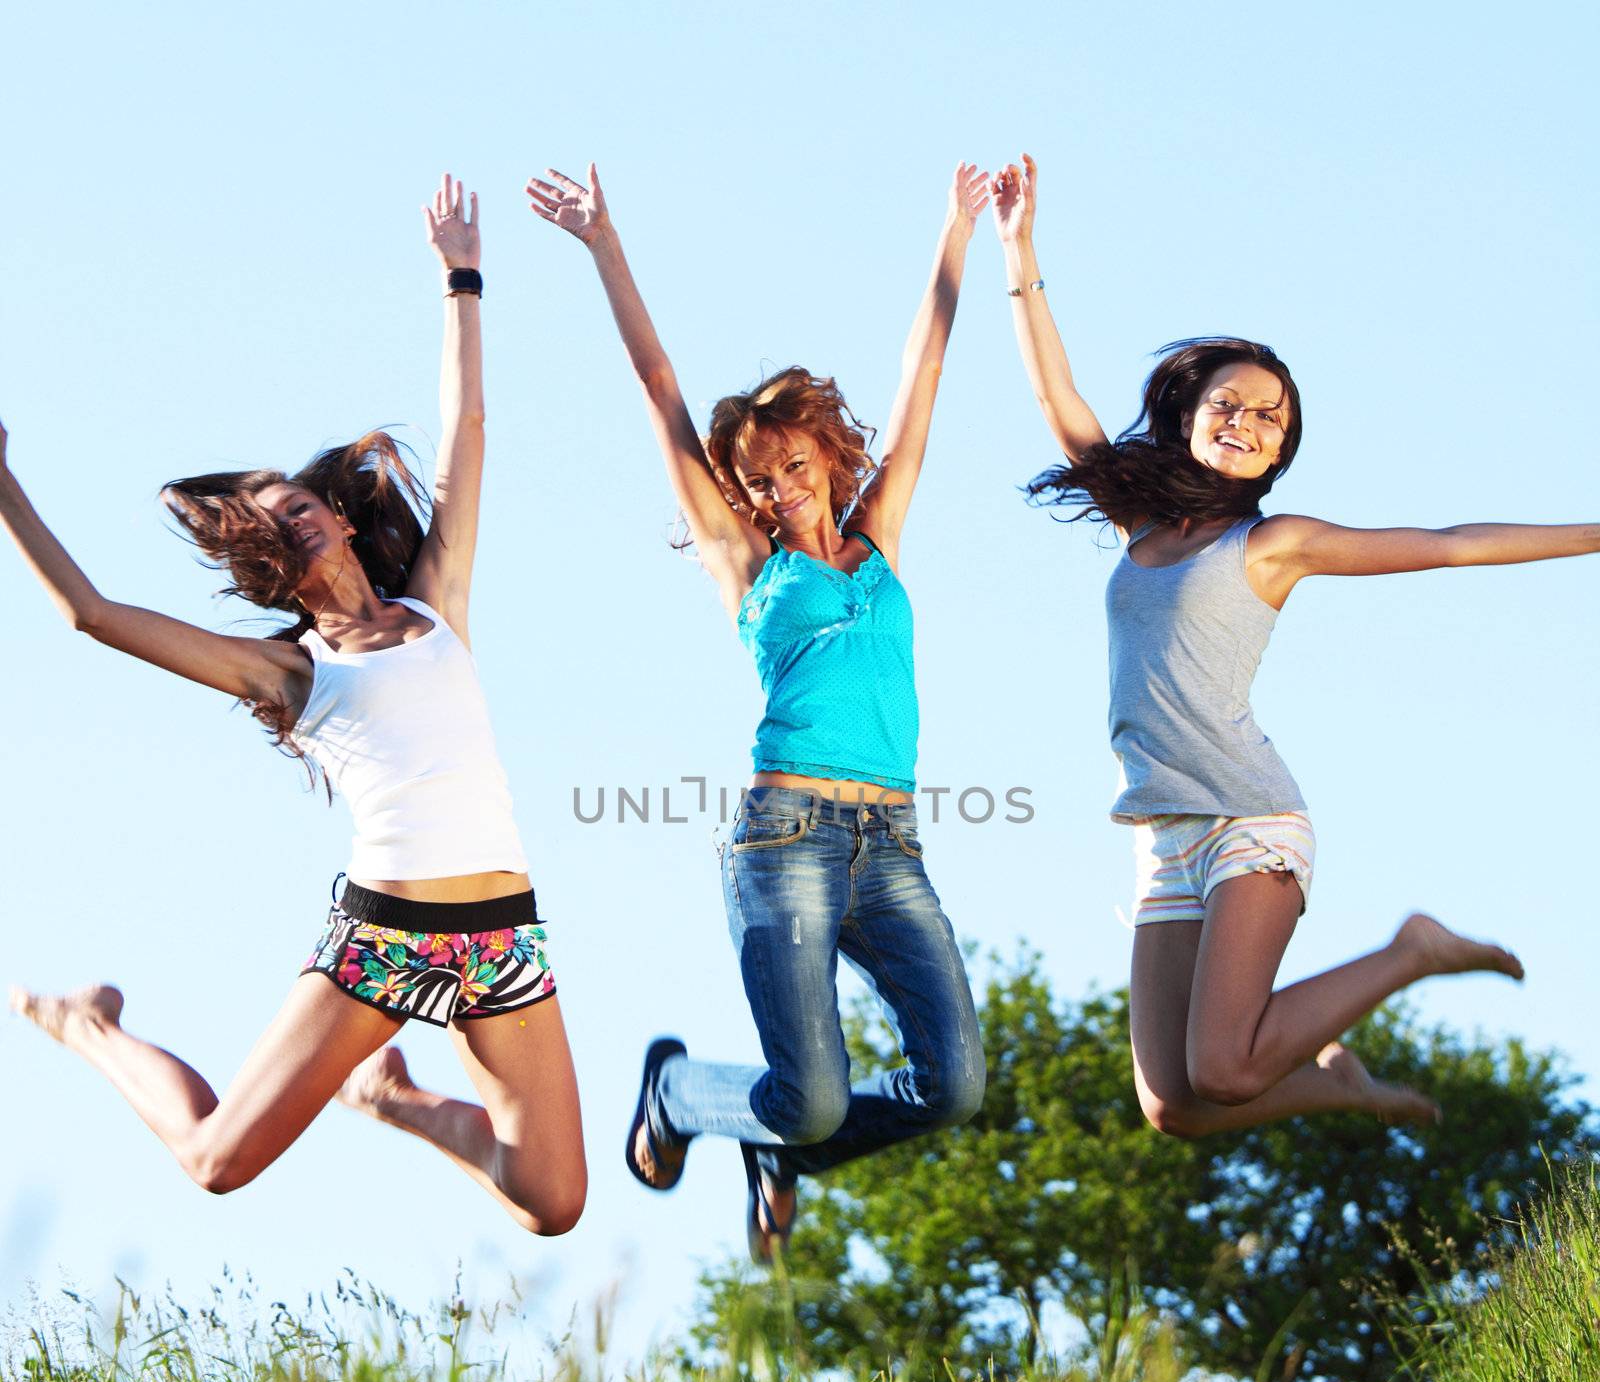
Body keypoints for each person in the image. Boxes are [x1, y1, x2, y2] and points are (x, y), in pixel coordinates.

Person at [5, 176, 585, 1233]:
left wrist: (462, 279)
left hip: (504, 931)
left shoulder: (435, 605)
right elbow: (92, 613)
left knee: (551, 1202)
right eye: (276, 524)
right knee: (216, 1162)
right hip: (388, 935)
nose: (298, 521)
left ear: (345, 520)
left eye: (304, 504)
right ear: (269, 566)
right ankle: (90, 1026)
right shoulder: (294, 672)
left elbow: (471, 427)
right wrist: (6, 490)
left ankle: (395, 1098)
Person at [993, 152, 1594, 1139]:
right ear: (1185, 415)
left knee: (1223, 1065)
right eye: (1228, 404)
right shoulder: (1136, 524)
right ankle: (1342, 1085)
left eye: (1269, 418)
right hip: (1161, 834)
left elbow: (1447, 546)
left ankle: (1411, 950)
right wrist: (1019, 251)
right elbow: (1058, 399)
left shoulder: (1269, 545)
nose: (1246, 422)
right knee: (1175, 1105)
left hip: (1247, 818)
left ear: (1279, 452)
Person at [528, 160, 990, 1258]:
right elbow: (656, 385)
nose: (780, 486)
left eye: (792, 465)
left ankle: (771, 1143)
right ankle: (681, 1094)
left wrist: (957, 231)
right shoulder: (749, 568)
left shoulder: (879, 540)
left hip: (891, 845)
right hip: (783, 841)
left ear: (828, 457)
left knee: (955, 1085)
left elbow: (924, 367)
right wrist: (603, 242)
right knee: (817, 1095)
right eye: (758, 477)